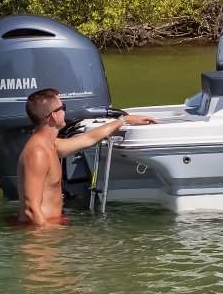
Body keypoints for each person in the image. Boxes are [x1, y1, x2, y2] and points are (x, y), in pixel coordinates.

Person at [17, 87, 155, 228]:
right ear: (54, 116)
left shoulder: (52, 145)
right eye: (62, 107)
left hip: (50, 227)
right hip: (39, 234)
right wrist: (49, 236)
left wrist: (124, 120)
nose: (65, 111)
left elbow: (88, 139)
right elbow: (31, 209)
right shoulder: (37, 153)